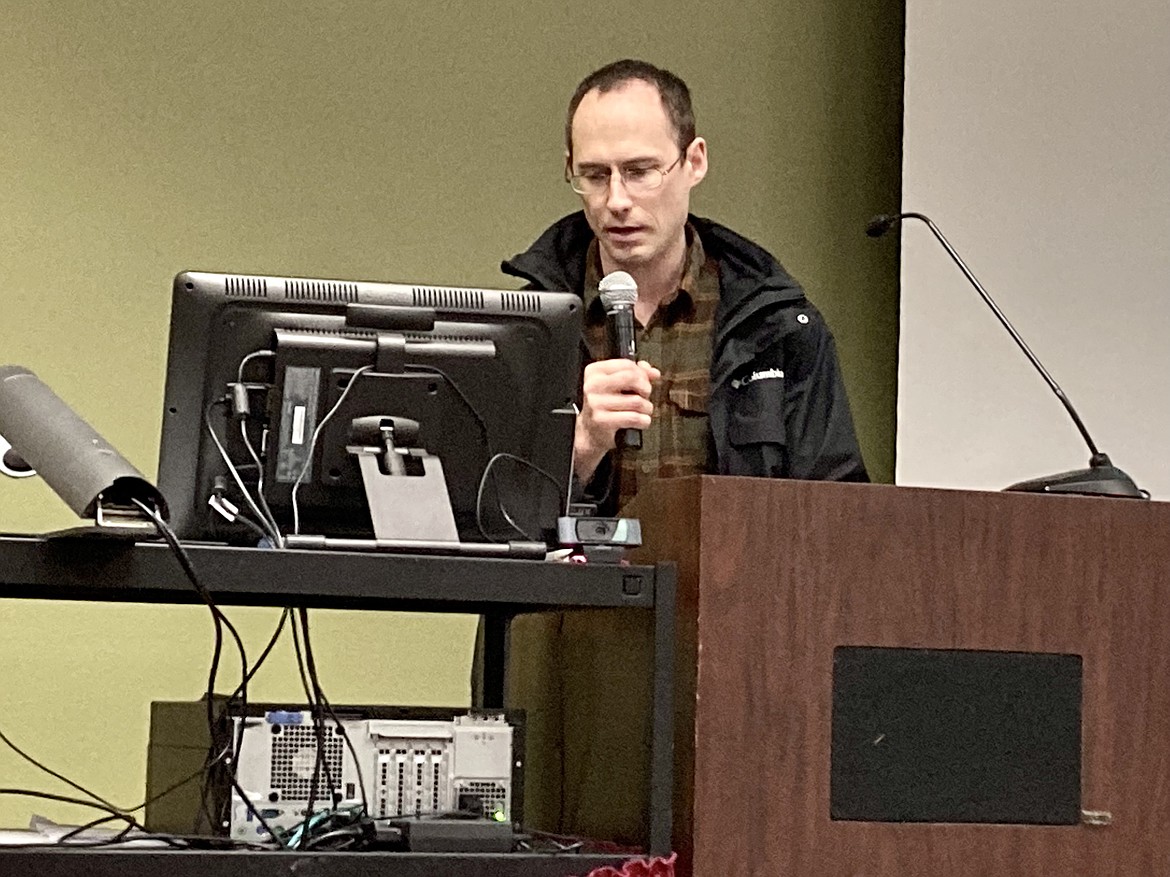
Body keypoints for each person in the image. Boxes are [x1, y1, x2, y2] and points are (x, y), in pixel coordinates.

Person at [502, 59, 867, 514]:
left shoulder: (778, 327)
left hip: (735, 582)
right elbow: (489, 522)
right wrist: (580, 451)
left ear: (694, 162)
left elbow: (841, 516)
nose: (616, 201)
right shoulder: (528, 328)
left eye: (640, 171)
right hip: (580, 584)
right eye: (595, 175)